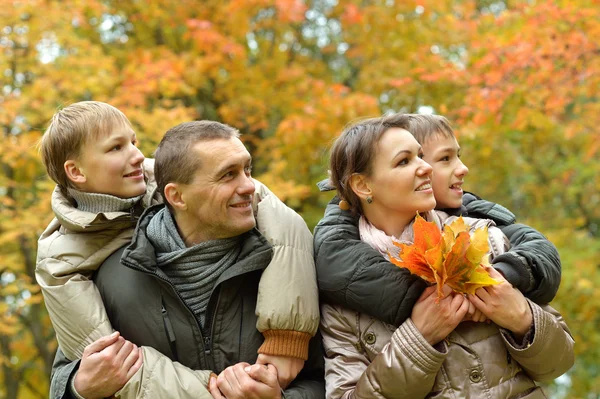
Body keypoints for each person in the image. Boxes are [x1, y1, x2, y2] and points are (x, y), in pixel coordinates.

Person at [36, 103, 320, 397]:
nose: (136, 155)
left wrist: (286, 342)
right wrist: (77, 387)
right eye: (115, 148)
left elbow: (326, 380)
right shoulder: (78, 267)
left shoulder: (276, 261)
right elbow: (92, 368)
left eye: (133, 142)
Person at [319, 114, 574, 398]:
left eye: (420, 156)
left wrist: (522, 318)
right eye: (405, 161)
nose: (425, 168)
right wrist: (418, 339)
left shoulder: (482, 237)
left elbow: (559, 363)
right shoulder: (343, 296)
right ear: (364, 186)